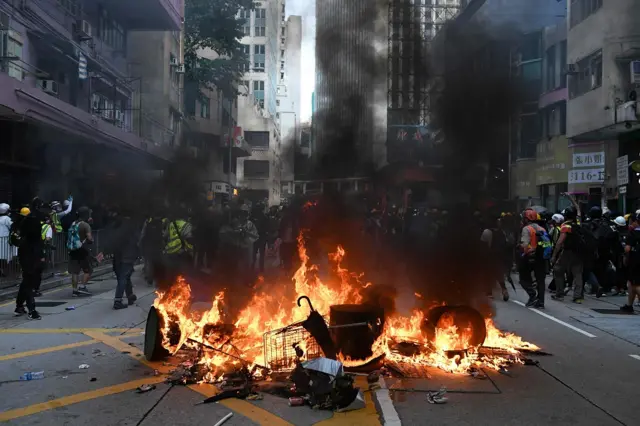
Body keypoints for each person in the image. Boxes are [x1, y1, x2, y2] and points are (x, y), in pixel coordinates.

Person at [15, 198, 46, 320]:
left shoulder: (29, 224)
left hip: (32, 256)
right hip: (28, 256)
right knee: (28, 282)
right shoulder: (26, 226)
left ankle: (19, 305)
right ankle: (31, 309)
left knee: (27, 281)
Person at [104, 208, 140, 310]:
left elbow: (110, 240)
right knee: (123, 277)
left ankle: (130, 296)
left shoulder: (116, 224)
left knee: (125, 276)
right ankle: (118, 301)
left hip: (118, 255)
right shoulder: (131, 225)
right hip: (127, 255)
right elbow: (137, 240)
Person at [551, 207, 585, 303]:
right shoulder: (578, 223)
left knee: (558, 270)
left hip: (567, 252)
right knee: (577, 274)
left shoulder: (566, 226)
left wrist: (554, 255)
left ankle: (559, 294)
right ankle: (577, 296)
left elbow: (560, 242)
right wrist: (574, 202)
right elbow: (579, 212)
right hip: (579, 252)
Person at [518, 209, 549, 308]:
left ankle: (532, 295)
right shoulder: (542, 229)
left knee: (523, 279)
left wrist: (520, 248)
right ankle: (541, 302)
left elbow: (525, 245)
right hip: (541, 257)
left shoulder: (526, 229)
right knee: (540, 280)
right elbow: (546, 244)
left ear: (527, 219)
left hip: (529, 257)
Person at [480, 215, 511, 301]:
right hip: (500, 257)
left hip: (489, 257)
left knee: (488, 275)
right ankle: (504, 290)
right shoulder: (502, 232)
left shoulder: (487, 231)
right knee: (499, 274)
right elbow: (506, 243)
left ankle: (489, 293)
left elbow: (483, 245)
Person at [67, 206, 95, 297]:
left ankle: (74, 290)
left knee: (75, 272)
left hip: (73, 251)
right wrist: (91, 240)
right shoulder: (85, 225)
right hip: (83, 251)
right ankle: (82, 287)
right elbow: (89, 238)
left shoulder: (73, 224)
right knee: (88, 270)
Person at [621, 213, 640, 312]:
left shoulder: (632, 234)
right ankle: (629, 305)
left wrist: (625, 258)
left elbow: (627, 249)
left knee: (636, 285)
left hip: (635, 261)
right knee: (632, 284)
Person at [0, 203, 16, 278]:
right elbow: (13, 227)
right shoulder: (7, 219)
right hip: (5, 240)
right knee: (6, 256)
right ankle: (5, 271)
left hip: (2, 239)